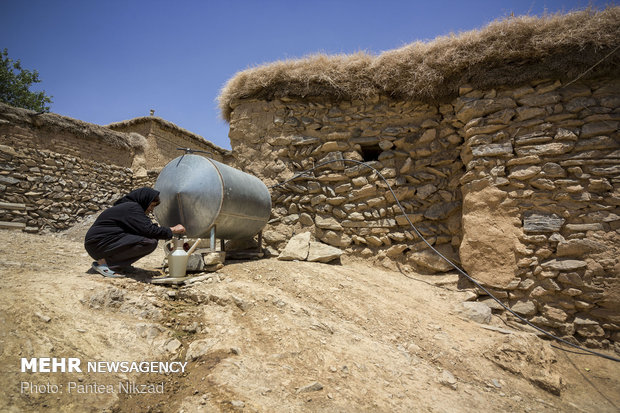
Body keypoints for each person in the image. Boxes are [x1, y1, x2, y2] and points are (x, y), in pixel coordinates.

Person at [84, 187, 185, 278]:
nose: (151, 209)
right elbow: (149, 231)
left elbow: (143, 229)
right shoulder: (132, 207)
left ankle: (121, 265)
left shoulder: (129, 207)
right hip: (98, 243)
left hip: (99, 243)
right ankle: (106, 264)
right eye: (152, 205)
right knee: (149, 242)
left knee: (146, 239)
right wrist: (172, 229)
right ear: (145, 200)